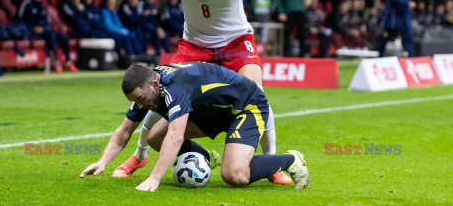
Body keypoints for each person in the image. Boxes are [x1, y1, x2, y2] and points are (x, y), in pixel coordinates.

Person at [82, 0, 325, 185]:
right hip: (194, 43)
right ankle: (140, 156)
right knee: (156, 96)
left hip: (235, 41)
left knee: (258, 96)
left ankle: (272, 162)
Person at [79, 62, 309, 191]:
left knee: (234, 175)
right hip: (212, 109)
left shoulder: (176, 88)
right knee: (154, 138)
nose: (139, 105)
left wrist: (154, 178)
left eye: (140, 98)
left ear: (154, 84)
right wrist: (102, 161)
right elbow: (124, 131)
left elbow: (176, 136)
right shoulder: (149, 89)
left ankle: (290, 159)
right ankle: (207, 157)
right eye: (134, 101)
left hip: (245, 105)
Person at [18, 0, 78, 73]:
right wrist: (32, 28)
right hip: (31, 32)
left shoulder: (43, 8)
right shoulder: (27, 4)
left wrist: (43, 29)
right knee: (51, 36)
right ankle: (55, 62)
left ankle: (68, 62)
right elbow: (20, 19)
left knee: (64, 37)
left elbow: (47, 23)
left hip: (44, 31)